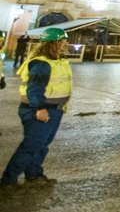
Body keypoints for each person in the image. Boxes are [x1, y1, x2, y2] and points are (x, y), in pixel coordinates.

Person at [1, 27, 72, 189]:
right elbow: (34, 89)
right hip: (40, 109)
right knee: (31, 145)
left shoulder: (57, 60)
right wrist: (39, 108)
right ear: (53, 43)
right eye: (62, 40)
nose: (65, 43)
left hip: (55, 109)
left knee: (42, 144)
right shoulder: (41, 63)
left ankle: (33, 174)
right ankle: (8, 181)